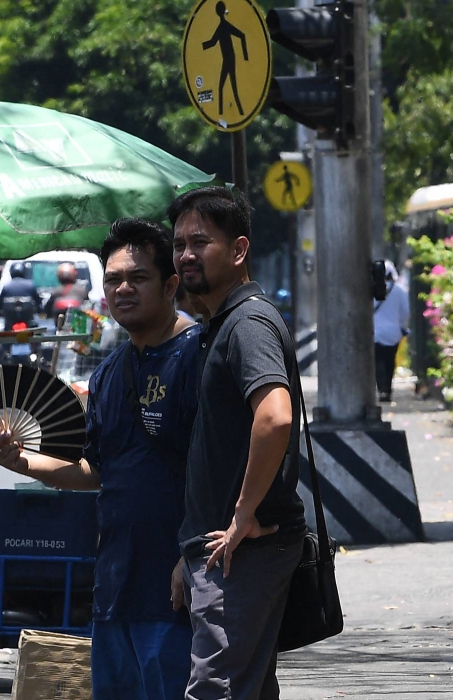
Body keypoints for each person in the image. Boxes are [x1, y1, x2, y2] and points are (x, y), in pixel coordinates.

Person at [0, 218, 199, 700]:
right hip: (114, 591)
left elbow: (224, 471)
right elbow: (97, 472)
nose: (123, 289)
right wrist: (22, 463)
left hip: (178, 591)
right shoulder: (108, 374)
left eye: (138, 278)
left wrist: (193, 558)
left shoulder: (200, 358)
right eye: (113, 280)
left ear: (170, 285)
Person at [169, 185, 307, 700]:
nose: (185, 255)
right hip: (220, 549)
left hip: (244, 550)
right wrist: (190, 551)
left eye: (200, 242)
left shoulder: (247, 323)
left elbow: (274, 417)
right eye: (179, 243)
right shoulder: (221, 323)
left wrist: (242, 514)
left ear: (239, 250)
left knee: (217, 689)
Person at [373, 261, 409, 402]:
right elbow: (405, 312)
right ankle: (387, 388)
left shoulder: (371, 291)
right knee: (389, 361)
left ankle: (382, 389)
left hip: (375, 332)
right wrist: (403, 327)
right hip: (394, 333)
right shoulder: (400, 291)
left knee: (378, 361)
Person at [0, 261, 42, 329]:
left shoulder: (6, 286)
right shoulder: (30, 285)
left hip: (10, 320)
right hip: (27, 319)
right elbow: (38, 301)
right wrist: (40, 310)